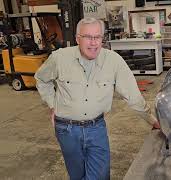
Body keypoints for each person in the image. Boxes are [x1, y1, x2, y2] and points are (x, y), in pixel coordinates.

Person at [34, 17, 160, 180]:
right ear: (77, 38)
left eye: (98, 37)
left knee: (100, 175)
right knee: (77, 175)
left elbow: (132, 95)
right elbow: (42, 80)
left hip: (96, 128)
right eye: (88, 37)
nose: (93, 43)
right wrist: (53, 105)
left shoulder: (114, 61)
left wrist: (152, 120)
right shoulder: (59, 58)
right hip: (66, 130)